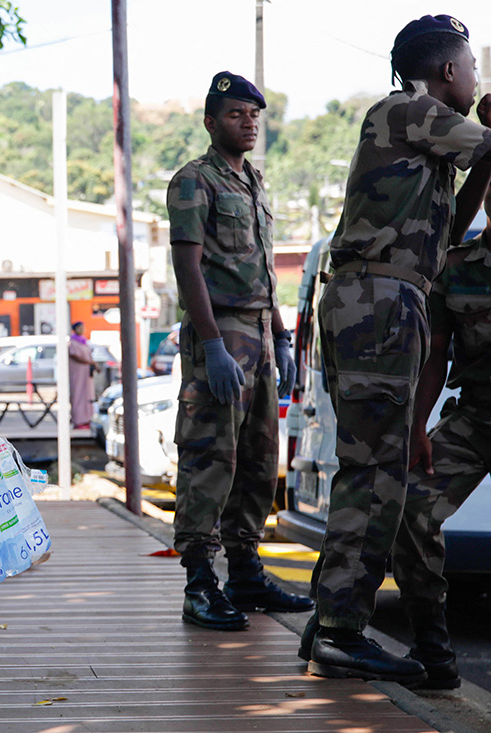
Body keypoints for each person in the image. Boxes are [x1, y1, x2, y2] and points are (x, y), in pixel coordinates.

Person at [300, 15, 491, 685]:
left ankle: (328, 619)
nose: (476, 79)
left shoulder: (423, 140)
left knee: (371, 466)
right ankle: (340, 632)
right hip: (380, 299)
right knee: (375, 472)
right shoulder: (410, 109)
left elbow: (451, 230)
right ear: (448, 71)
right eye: (472, 67)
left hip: (385, 296)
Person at [166, 72, 312, 633]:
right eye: (235, 114)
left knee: (257, 459)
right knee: (210, 457)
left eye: (254, 114)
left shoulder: (254, 182)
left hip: (259, 336)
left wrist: (281, 336)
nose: (248, 123)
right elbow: (188, 267)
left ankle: (245, 573)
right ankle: (200, 584)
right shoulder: (194, 180)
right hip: (221, 334)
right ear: (211, 122)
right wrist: (211, 344)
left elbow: (264, 272)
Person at [389, 193, 491, 690]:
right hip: (476, 419)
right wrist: (417, 428)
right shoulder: (457, 267)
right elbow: (434, 355)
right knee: (411, 504)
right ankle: (431, 646)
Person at [68, 321, 100, 429]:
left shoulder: (84, 341)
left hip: (86, 374)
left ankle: (87, 419)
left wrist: (92, 364)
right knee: (78, 395)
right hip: (77, 373)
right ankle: (78, 420)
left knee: (87, 396)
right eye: (79, 328)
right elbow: (77, 355)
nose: (82, 330)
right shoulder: (73, 342)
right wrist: (90, 362)